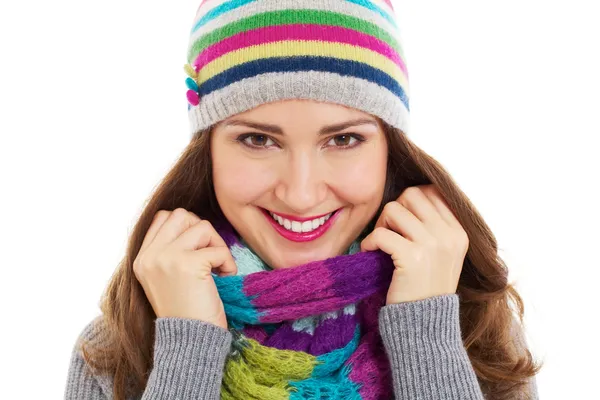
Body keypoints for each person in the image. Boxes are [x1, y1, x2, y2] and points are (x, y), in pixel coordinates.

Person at [64, 0, 542, 399]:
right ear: (207, 151)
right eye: (257, 140)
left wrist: (425, 333)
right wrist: (188, 349)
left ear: (389, 151)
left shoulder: (474, 325)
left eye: (343, 140)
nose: (301, 192)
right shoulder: (119, 345)